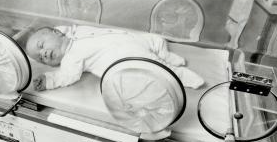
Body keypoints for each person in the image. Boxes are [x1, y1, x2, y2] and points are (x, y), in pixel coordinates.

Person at [26, 25, 204, 91]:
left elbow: (63, 27)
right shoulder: (70, 60)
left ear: (57, 33)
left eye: (41, 46)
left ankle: (165, 55)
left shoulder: (73, 31)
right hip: (124, 56)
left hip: (130, 38)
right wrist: (49, 79)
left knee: (156, 40)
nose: (43, 54)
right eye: (41, 59)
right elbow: (65, 76)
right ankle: (180, 74)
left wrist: (60, 30)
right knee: (155, 66)